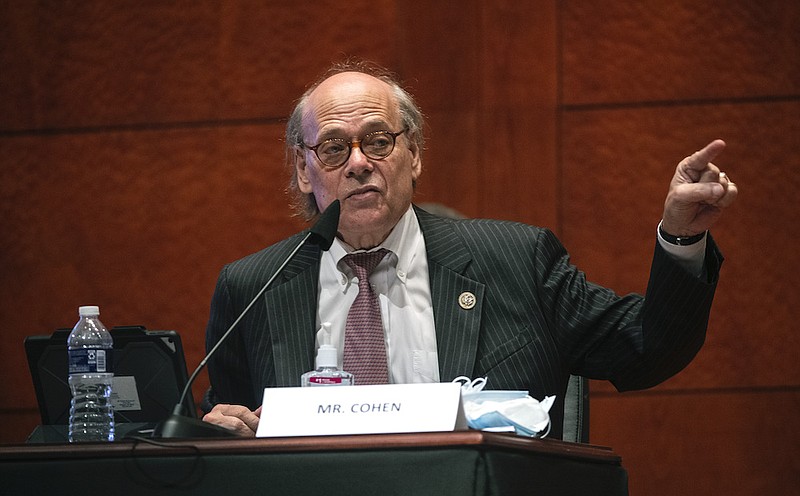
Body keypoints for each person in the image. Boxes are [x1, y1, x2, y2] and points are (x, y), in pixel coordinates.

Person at [201, 61, 737, 437]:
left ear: (413, 155)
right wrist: (219, 430)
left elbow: (648, 347)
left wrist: (680, 237)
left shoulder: (517, 260)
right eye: (335, 148)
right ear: (304, 169)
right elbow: (224, 428)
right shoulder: (253, 288)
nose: (359, 163)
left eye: (379, 141)